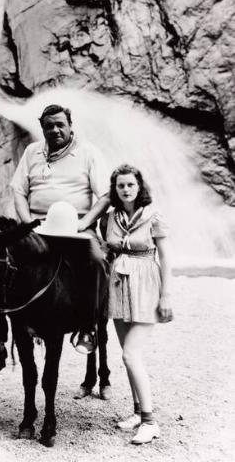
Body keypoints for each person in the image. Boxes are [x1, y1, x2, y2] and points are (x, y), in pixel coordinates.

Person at [10, 103, 111, 394]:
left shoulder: (88, 152)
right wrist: (27, 223)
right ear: (42, 127)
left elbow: (104, 195)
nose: (54, 130)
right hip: (39, 226)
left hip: (77, 226)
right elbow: (18, 190)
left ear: (70, 124)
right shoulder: (32, 152)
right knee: (6, 263)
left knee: (95, 260)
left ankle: (88, 324)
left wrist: (85, 224)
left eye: (59, 125)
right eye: (48, 125)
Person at [103, 164, 173, 445]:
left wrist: (166, 295)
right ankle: (135, 411)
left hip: (146, 285)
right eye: (120, 186)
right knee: (126, 351)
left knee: (131, 355)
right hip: (118, 285)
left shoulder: (153, 217)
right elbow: (106, 249)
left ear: (139, 187)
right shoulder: (111, 217)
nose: (126, 189)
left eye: (130, 185)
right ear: (115, 189)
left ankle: (149, 421)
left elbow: (166, 258)